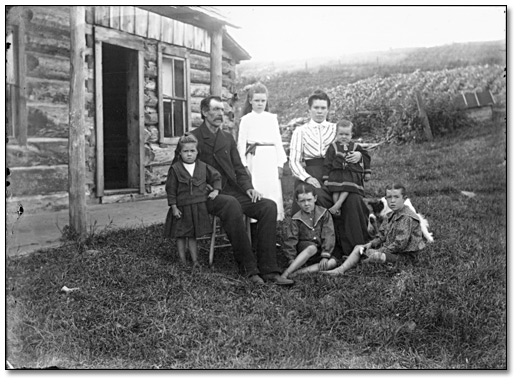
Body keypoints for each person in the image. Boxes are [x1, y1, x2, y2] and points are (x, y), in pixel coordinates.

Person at [174, 95, 293, 286]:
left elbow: (239, 168)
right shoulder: (192, 138)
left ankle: (270, 270)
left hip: (232, 191)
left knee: (268, 206)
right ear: (204, 113)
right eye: (216, 110)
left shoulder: (227, 138)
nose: (221, 114)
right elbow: (178, 171)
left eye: (222, 110)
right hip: (206, 195)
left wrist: (249, 188)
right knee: (231, 204)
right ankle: (249, 269)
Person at [288, 90, 371, 256]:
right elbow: (294, 161)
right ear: (309, 110)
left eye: (323, 108)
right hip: (311, 173)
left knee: (353, 199)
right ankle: (325, 249)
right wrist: (308, 178)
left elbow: (352, 145)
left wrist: (359, 155)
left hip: (338, 173)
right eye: (316, 107)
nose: (319, 111)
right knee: (319, 196)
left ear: (328, 110)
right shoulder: (301, 131)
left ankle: (355, 248)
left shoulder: (335, 129)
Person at [323, 183, 426, 275]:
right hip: (390, 251)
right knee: (360, 247)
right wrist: (371, 244)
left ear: (404, 198)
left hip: (405, 256)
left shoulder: (406, 217)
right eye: (389, 197)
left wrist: (381, 250)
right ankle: (341, 269)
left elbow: (400, 244)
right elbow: (381, 236)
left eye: (396, 197)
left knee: (377, 256)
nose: (392, 201)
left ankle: (357, 263)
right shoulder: (390, 215)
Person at [164, 134, 222, 268]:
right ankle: (182, 261)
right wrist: (173, 207)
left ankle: (195, 261)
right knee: (180, 235)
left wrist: (216, 190)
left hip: (197, 207)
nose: (189, 154)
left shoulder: (203, 167)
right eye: (185, 151)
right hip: (181, 208)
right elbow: (171, 189)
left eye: (192, 151)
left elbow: (216, 177)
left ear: (197, 152)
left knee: (192, 235)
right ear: (179, 153)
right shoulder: (175, 169)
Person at [237, 82, 286, 221]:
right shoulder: (246, 120)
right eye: (257, 100)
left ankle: (272, 230)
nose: (260, 103)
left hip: (270, 160)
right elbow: (241, 144)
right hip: (255, 159)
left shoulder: (272, 119)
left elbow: (278, 141)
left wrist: (280, 164)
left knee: (272, 192)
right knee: (258, 191)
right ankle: (255, 227)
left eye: (263, 101)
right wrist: (244, 165)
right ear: (250, 101)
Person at [281, 183, 336, 279]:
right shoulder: (296, 218)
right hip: (304, 252)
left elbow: (329, 234)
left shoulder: (324, 213)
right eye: (302, 201)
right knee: (312, 248)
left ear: (315, 198)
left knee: (332, 263)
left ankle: (298, 273)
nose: (306, 204)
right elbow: (291, 240)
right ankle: (286, 273)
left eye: (309, 200)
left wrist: (325, 255)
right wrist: (291, 258)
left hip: (321, 252)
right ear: (297, 202)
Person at [322, 120, 371, 216]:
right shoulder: (333, 147)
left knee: (347, 187)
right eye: (341, 134)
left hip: (351, 174)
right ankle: (337, 208)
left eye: (346, 134)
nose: (343, 137)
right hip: (336, 174)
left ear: (351, 135)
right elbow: (327, 162)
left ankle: (338, 205)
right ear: (336, 134)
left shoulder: (355, 146)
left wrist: (367, 172)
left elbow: (366, 157)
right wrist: (326, 178)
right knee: (335, 190)